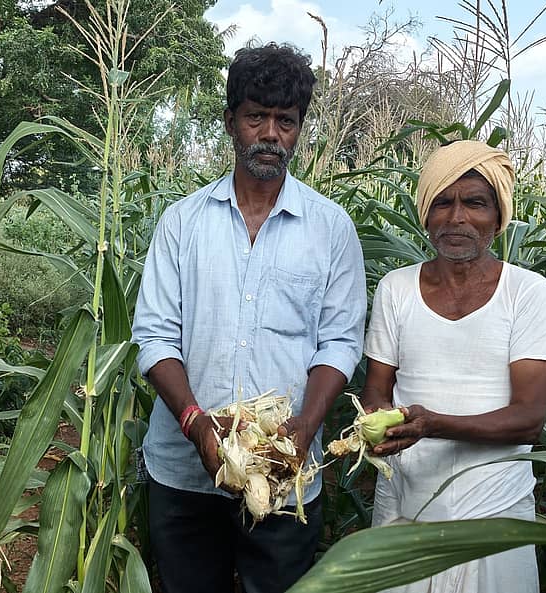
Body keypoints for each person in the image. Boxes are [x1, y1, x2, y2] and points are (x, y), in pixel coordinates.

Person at [131, 43, 366, 593]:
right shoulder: (182, 224)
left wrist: (305, 427)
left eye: (285, 121)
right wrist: (196, 424)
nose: (270, 134)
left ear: (299, 127)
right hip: (183, 475)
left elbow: (339, 342)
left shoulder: (331, 230)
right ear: (230, 121)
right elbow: (154, 336)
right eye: (256, 116)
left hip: (285, 475)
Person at [361, 140, 546, 593]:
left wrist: (431, 425)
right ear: (426, 215)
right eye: (442, 202)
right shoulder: (396, 290)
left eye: (474, 203)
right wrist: (378, 425)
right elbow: (376, 389)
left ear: (497, 217)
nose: (456, 218)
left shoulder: (527, 294)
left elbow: (528, 419)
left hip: (493, 514)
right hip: (404, 506)